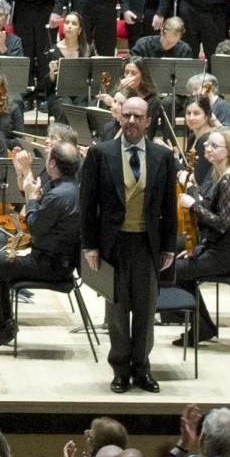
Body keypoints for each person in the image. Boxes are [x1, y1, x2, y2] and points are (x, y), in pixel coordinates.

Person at [78, 94, 178, 394]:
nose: (132, 120)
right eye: (127, 115)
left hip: (147, 244)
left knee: (146, 311)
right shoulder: (101, 154)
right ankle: (120, 369)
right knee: (118, 310)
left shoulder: (162, 157)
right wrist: (90, 246)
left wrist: (169, 247)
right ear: (119, 117)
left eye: (138, 116)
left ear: (148, 122)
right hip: (114, 243)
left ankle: (142, 368)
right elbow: (88, 204)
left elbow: (169, 207)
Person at [0, 140, 81, 355]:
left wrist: (32, 200)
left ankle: (0, 329)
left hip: (48, 265)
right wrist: (28, 184)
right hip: (53, 258)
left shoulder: (59, 196)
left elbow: (34, 227)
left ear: (52, 165)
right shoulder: (69, 188)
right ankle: (2, 324)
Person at [169, 128, 230, 344]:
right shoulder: (220, 175)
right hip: (220, 250)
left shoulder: (229, 181)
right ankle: (202, 326)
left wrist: (193, 204)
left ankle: (201, 326)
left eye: (214, 146)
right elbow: (210, 209)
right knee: (177, 265)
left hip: (229, 255)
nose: (208, 148)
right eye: (208, 144)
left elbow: (221, 223)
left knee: (174, 270)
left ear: (229, 151)